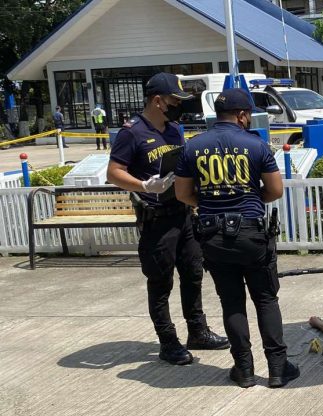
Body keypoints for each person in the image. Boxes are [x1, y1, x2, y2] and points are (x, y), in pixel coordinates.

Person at [174, 88, 300, 389]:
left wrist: (208, 203)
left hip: (212, 235)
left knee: (231, 302)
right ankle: (278, 368)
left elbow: (182, 194)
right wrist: (250, 197)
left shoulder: (193, 147)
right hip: (251, 233)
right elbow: (275, 190)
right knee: (266, 298)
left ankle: (243, 369)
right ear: (242, 115)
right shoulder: (255, 145)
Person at [107, 72, 228, 366]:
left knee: (193, 275)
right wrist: (145, 186)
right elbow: (113, 173)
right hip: (156, 219)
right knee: (161, 282)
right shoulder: (131, 132)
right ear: (158, 101)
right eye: (175, 100)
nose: (178, 105)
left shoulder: (174, 129)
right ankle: (167, 340)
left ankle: (197, 331)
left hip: (183, 215)